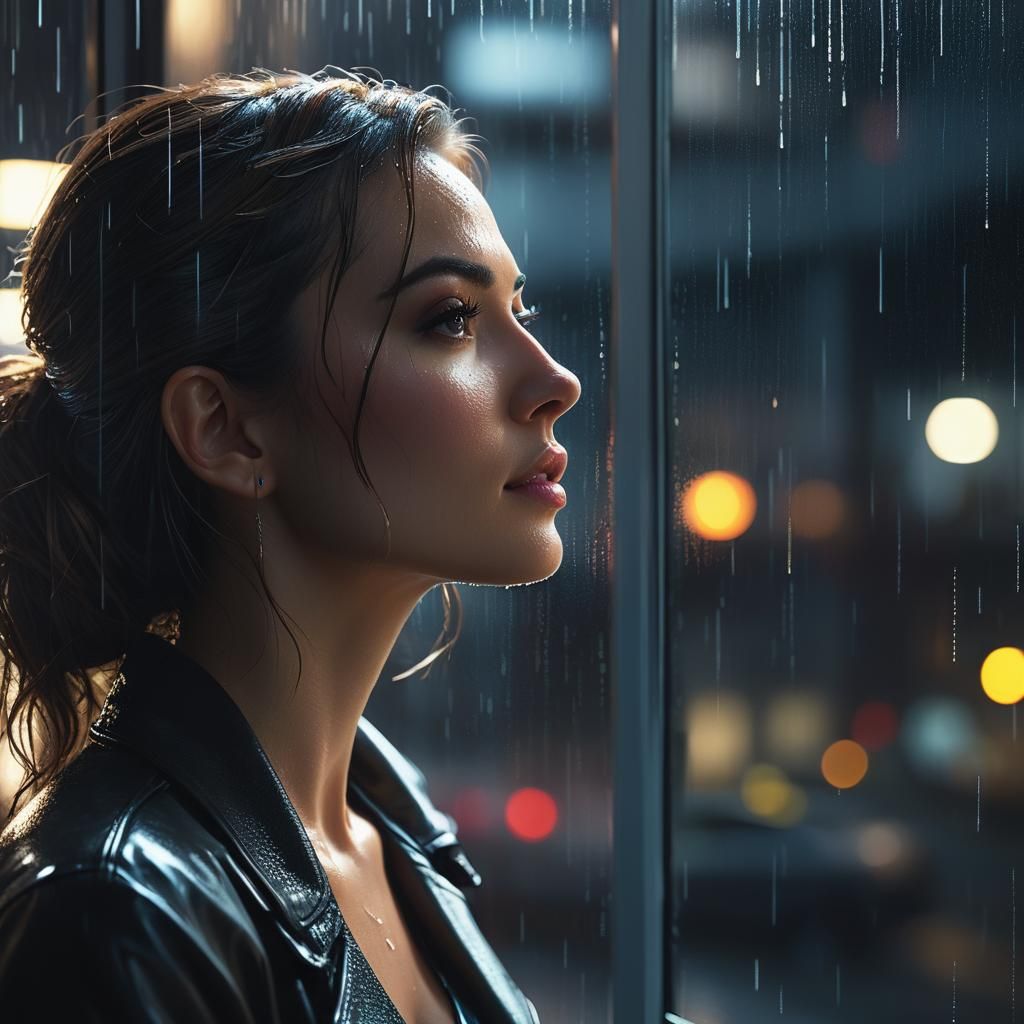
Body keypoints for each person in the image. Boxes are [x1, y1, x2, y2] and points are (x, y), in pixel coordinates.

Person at [0, 66, 580, 1022]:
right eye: (450, 319)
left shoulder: (391, 832)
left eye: (522, 310)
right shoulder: (113, 914)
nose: (553, 379)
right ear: (226, 429)